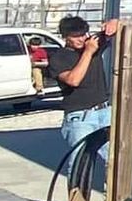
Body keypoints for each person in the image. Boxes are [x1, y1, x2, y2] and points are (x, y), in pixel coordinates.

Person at [51, 16, 121, 168]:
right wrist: (88, 52)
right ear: (65, 37)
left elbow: (115, 29)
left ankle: (113, 191)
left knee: (116, 160)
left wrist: (114, 22)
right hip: (80, 117)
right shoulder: (58, 57)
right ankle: (78, 191)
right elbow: (73, 80)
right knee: (80, 164)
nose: (81, 39)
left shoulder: (92, 43)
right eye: (76, 36)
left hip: (104, 111)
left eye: (84, 35)